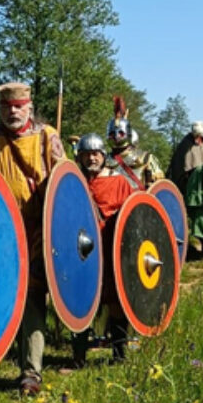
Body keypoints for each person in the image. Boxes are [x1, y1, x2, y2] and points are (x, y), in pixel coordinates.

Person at [0, 82, 65, 395]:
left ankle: (31, 373)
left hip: (36, 232)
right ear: (0, 107)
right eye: (7, 106)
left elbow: (65, 187)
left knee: (33, 300)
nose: (13, 111)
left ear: (29, 106)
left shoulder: (46, 137)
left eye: (19, 106)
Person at [70, 133, 133, 364]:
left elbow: (134, 216)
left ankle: (119, 354)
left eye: (96, 154)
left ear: (104, 156)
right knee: (81, 302)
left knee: (116, 301)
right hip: (83, 254)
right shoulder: (73, 181)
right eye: (86, 154)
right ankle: (78, 356)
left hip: (112, 251)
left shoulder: (119, 182)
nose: (91, 158)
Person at [106, 96, 163, 190]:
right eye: (112, 134)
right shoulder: (104, 161)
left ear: (128, 134)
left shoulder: (145, 158)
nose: (116, 137)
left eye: (121, 133)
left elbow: (157, 189)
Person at [166, 121, 203, 195]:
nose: (197, 137)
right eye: (196, 134)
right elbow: (179, 162)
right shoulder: (185, 143)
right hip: (188, 180)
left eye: (199, 134)